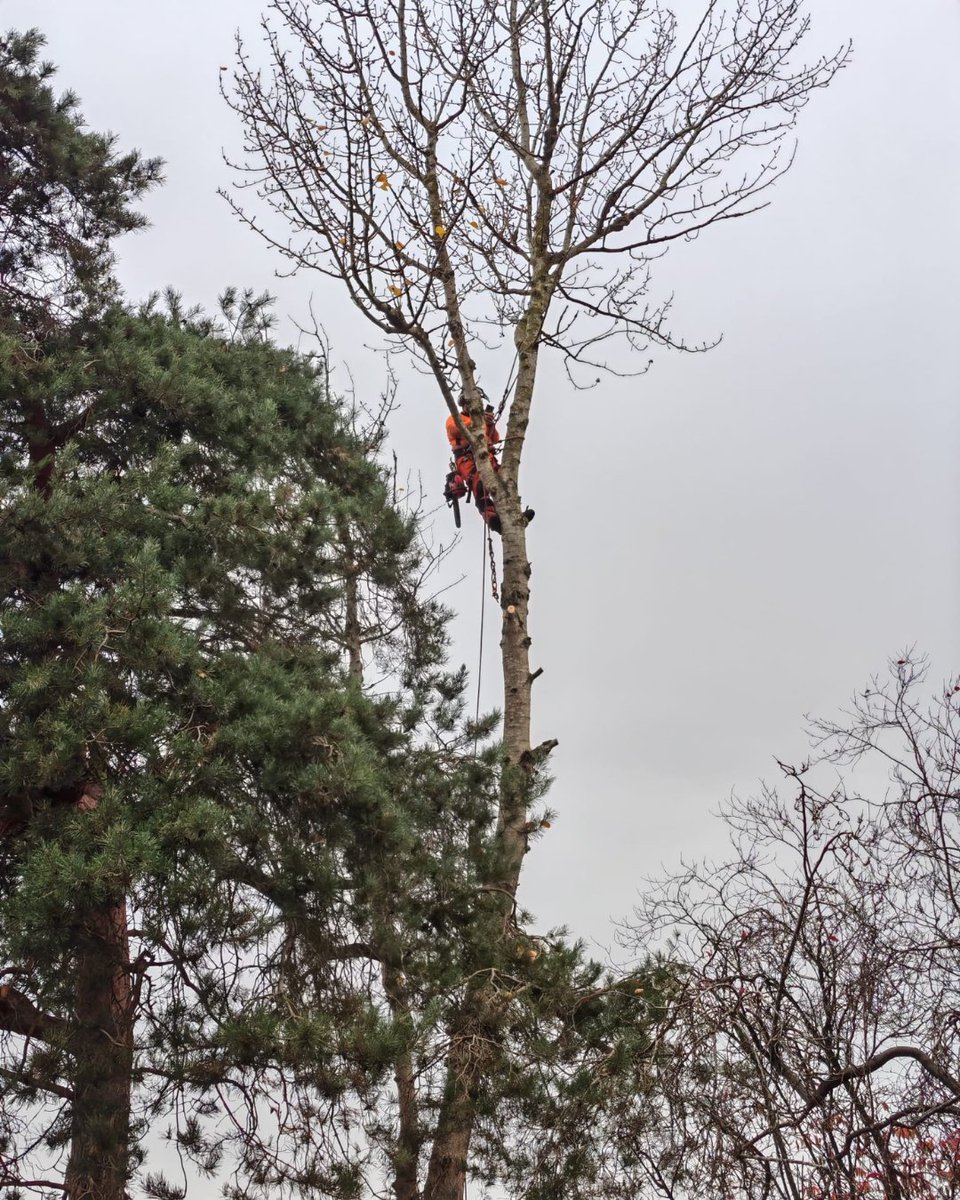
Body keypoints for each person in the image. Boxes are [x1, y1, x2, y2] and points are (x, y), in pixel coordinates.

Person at [444, 399, 503, 533]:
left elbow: (495, 438)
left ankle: (513, 513)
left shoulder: (482, 421)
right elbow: (455, 429)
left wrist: (489, 423)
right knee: (479, 483)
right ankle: (492, 519)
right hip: (466, 459)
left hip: (487, 457)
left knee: (505, 478)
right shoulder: (455, 418)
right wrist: (480, 422)